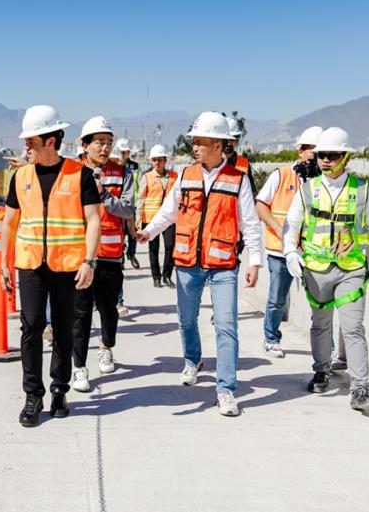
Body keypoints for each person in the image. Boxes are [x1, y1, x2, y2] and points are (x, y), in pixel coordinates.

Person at [137, 111, 264, 417]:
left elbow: (250, 223)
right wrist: (148, 231)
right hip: (188, 263)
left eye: (201, 142)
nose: (194, 147)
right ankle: (192, 360)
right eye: (193, 141)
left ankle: (225, 389)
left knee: (226, 326)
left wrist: (255, 261)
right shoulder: (185, 175)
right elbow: (169, 212)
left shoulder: (238, 180)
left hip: (222, 264)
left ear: (219, 145)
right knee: (186, 319)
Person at [0, 104, 101, 427]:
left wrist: (89, 261)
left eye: (31, 139)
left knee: (62, 328)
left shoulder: (80, 174)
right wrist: (4, 264)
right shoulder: (20, 177)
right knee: (30, 326)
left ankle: (59, 390)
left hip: (68, 264)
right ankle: (33, 395)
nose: (26, 145)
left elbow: (94, 219)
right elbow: (10, 224)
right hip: (30, 264)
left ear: (50, 140)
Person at [281, 126, 369, 411]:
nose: (325, 160)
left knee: (353, 328)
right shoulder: (308, 191)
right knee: (320, 324)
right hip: (317, 269)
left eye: (332, 155)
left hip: (351, 269)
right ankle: (321, 370)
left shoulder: (362, 190)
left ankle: (359, 388)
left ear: (346, 157)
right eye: (321, 155)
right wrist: (290, 253)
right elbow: (291, 226)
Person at [70, 116, 136, 392]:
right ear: (84, 145)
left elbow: (128, 209)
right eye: (99, 142)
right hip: (81, 257)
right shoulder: (72, 172)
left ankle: (106, 346)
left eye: (108, 143)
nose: (105, 148)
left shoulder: (122, 173)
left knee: (109, 310)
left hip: (109, 254)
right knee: (81, 313)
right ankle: (79, 368)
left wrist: (104, 195)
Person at [254, 126, 323, 358]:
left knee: (321, 304)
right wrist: (279, 230)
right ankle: (271, 339)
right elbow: (261, 205)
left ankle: (327, 349)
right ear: (301, 151)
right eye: (314, 152)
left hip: (313, 252)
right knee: (277, 300)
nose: (318, 158)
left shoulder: (324, 182)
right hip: (280, 251)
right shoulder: (281, 175)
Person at [138, 144, 178, 288]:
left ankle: (167, 275)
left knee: (170, 246)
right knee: (153, 249)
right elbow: (140, 199)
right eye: (154, 160)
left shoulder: (174, 176)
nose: (157, 162)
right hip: (150, 219)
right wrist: (138, 220)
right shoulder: (147, 177)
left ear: (165, 160)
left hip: (169, 219)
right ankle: (156, 277)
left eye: (159, 159)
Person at [115, 138, 142, 270]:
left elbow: (139, 185)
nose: (124, 154)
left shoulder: (135, 166)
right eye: (122, 151)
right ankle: (120, 257)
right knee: (121, 231)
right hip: (118, 204)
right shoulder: (114, 165)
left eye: (126, 152)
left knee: (133, 232)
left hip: (133, 204)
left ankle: (131, 254)